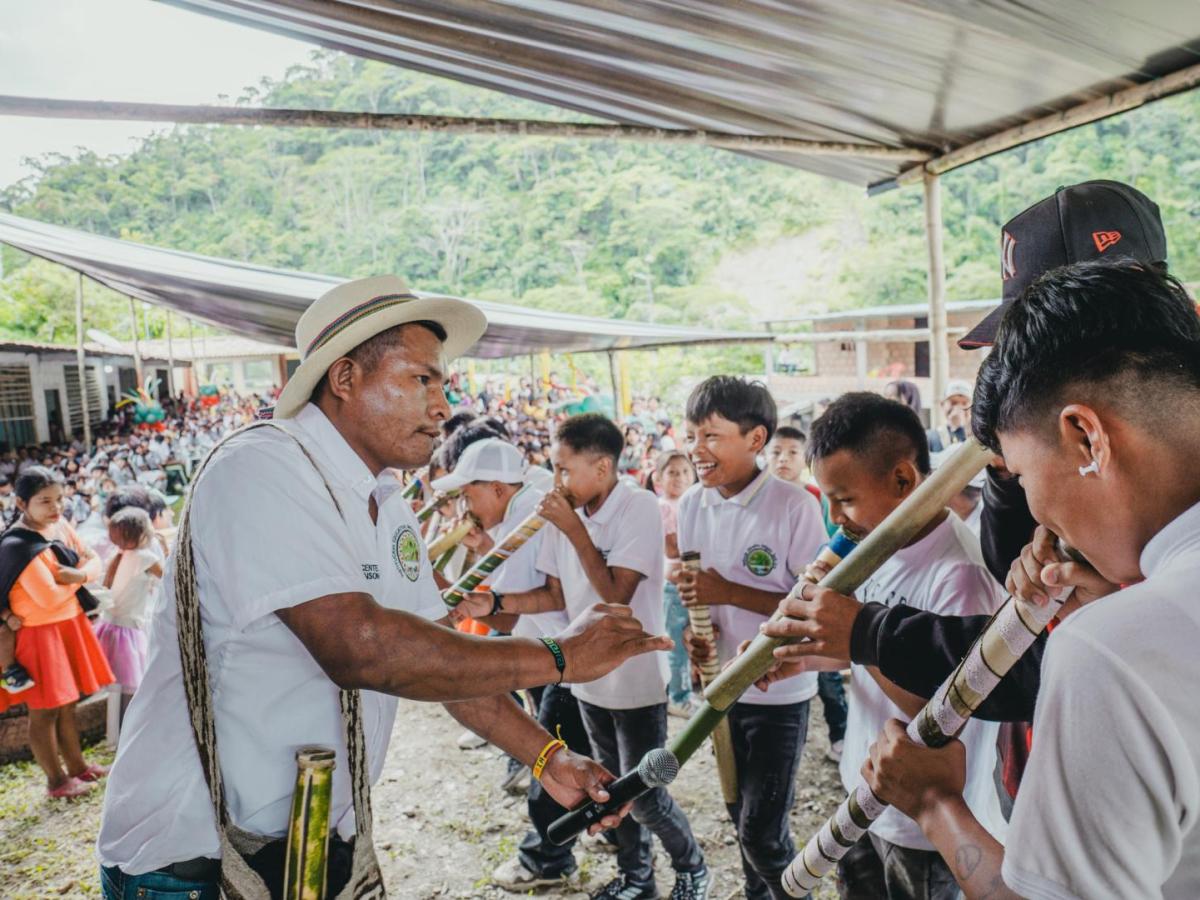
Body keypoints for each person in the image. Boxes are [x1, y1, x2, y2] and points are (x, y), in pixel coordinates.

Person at [97, 276, 669, 899]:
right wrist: (559, 657)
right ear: (344, 379)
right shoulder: (260, 468)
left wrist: (547, 757)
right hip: (193, 859)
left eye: (443, 383)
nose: (442, 405)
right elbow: (361, 649)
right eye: (421, 379)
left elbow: (440, 656)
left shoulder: (383, 499)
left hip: (307, 847)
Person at [761, 180, 1166, 729]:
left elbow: (1034, 670)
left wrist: (870, 635)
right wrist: (1007, 478)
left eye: (1030, 347)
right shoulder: (1074, 468)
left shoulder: (1165, 515)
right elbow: (1019, 586)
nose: (1013, 375)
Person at [861, 261, 1200, 899]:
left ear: (1085, 437)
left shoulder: (1111, 652)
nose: (1037, 522)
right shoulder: (1130, 630)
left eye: (1020, 477)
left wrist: (933, 802)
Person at [472, 413, 709, 900]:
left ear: (601, 468)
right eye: (554, 469)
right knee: (608, 792)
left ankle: (693, 867)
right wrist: (495, 604)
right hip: (587, 679)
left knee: (644, 797)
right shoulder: (570, 515)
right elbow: (555, 595)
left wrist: (572, 528)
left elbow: (614, 597)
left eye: (565, 470)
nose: (557, 481)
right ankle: (637, 879)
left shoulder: (636, 506)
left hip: (636, 678)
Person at [779, 393, 1006, 900]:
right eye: (829, 500)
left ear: (903, 480)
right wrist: (799, 658)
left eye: (846, 498)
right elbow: (860, 654)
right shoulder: (876, 544)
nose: (835, 517)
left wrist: (856, 633)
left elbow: (943, 719)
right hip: (863, 797)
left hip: (919, 825)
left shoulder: (960, 576)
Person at [678, 377, 826, 900]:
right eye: (692, 435)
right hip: (721, 690)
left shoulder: (794, 506)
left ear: (756, 439)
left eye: (712, 436)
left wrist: (728, 590)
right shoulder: (691, 505)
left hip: (777, 695)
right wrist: (701, 639)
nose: (697, 449)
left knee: (763, 833)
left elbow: (814, 608)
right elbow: (703, 605)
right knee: (739, 815)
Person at [435, 437, 588, 891]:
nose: (466, 505)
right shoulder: (519, 505)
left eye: (470, 493)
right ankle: (609, 834)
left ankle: (546, 860)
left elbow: (509, 608)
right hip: (551, 650)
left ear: (499, 488)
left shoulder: (526, 513)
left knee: (552, 755)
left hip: (559, 656)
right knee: (580, 748)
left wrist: (445, 591)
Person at [0, 466, 112, 798]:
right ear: (22, 504)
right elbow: (47, 597)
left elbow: (93, 560)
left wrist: (76, 576)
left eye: (60, 499)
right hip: (38, 635)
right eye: (45, 501)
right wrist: (80, 575)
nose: (56, 507)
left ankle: (77, 768)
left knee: (67, 704)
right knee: (45, 710)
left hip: (67, 625)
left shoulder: (60, 525)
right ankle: (55, 780)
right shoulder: (17, 546)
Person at [766, 425, 847, 763]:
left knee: (827, 675)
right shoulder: (763, 500)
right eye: (776, 452)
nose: (783, 459)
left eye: (792, 453)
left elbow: (834, 542)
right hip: (783, 606)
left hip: (816, 596)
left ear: (805, 459)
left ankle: (839, 732)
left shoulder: (816, 497)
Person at [94, 506, 163, 727]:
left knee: (118, 687)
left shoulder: (118, 555)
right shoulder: (146, 557)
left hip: (110, 625)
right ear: (143, 533)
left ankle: (115, 731)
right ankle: (133, 727)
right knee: (134, 685)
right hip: (129, 630)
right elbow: (169, 576)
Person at [655, 449, 697, 718]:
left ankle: (687, 692)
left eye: (684, 471)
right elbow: (673, 549)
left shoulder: (692, 503)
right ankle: (677, 697)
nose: (679, 477)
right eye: (672, 472)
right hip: (673, 585)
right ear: (658, 478)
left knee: (692, 638)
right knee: (677, 643)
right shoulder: (663, 508)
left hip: (691, 581)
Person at [926, 380, 972, 453]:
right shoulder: (931, 437)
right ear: (942, 405)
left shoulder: (977, 437)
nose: (959, 407)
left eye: (964, 403)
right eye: (953, 403)